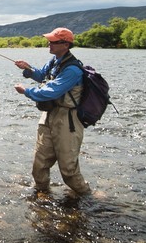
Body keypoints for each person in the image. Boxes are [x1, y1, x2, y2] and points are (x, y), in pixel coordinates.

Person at [14, 27, 93, 198]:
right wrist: (29, 69)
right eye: (49, 40)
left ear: (65, 44)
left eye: (53, 42)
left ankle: (87, 196)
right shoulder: (55, 61)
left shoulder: (73, 70)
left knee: (68, 169)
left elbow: (50, 92)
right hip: (49, 116)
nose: (49, 44)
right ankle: (41, 193)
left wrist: (26, 91)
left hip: (68, 120)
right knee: (40, 162)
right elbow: (43, 75)